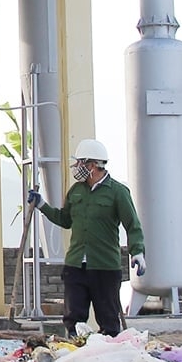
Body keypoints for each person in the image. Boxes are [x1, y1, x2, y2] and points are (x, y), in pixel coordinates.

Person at [27, 138, 146, 338]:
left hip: (104, 267)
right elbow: (65, 220)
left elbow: (132, 224)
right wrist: (42, 206)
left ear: (92, 165)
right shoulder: (76, 191)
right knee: (74, 318)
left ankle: (109, 356)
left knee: (108, 319)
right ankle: (76, 351)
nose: (77, 167)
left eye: (80, 163)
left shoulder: (117, 192)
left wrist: (137, 251)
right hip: (75, 266)